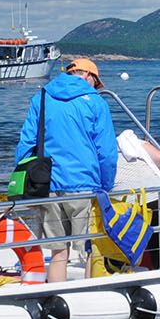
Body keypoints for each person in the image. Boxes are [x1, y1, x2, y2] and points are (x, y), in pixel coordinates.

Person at [12, 56, 117, 283]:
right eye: (96, 82)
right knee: (89, 250)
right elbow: (107, 153)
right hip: (84, 184)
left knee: (58, 253)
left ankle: (55, 298)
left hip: (47, 183)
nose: (96, 87)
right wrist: (106, 185)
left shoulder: (41, 97)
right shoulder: (96, 102)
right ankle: (87, 301)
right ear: (88, 76)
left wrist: (26, 181)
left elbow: (26, 145)